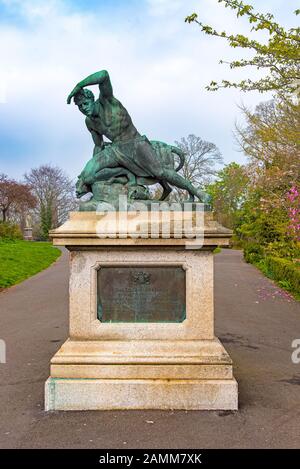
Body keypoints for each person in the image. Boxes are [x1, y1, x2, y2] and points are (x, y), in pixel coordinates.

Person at [67, 70, 205, 201]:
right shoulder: (90, 122)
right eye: (80, 107)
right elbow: (98, 146)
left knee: (160, 172)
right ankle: (125, 177)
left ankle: (197, 192)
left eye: (85, 103)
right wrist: (96, 167)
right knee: (87, 175)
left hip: (135, 143)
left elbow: (104, 74)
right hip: (115, 150)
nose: (83, 108)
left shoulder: (107, 101)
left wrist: (79, 85)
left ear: (92, 100)